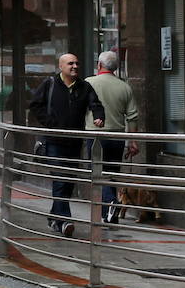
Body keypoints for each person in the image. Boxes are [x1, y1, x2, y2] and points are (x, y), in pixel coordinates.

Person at [29, 53, 105, 237]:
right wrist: (50, 123)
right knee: (61, 179)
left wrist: (98, 116)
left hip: (74, 142)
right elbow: (35, 105)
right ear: (61, 66)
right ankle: (65, 221)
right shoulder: (50, 84)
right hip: (54, 141)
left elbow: (96, 104)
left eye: (77, 63)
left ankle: (54, 218)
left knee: (68, 182)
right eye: (70, 63)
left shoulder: (84, 87)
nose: (75, 66)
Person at [85, 51, 140, 224]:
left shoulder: (88, 83)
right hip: (116, 137)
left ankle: (110, 203)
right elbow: (132, 116)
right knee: (112, 173)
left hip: (94, 136)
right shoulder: (124, 87)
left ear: (99, 65)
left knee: (98, 174)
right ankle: (108, 214)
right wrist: (132, 141)